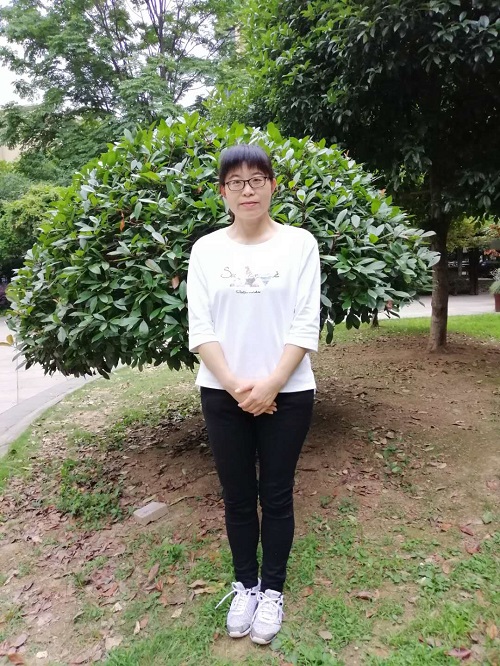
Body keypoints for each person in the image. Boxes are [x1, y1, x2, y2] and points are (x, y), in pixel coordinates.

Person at [187, 143, 320, 645]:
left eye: (257, 179)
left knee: (277, 495)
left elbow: (305, 322)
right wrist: (235, 386)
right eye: (236, 182)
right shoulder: (206, 250)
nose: (247, 190)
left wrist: (271, 384)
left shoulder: (299, 244)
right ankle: (246, 585)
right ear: (223, 192)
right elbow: (201, 327)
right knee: (238, 496)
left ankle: (273, 590)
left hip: (288, 392)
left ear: (272, 186)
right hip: (223, 394)